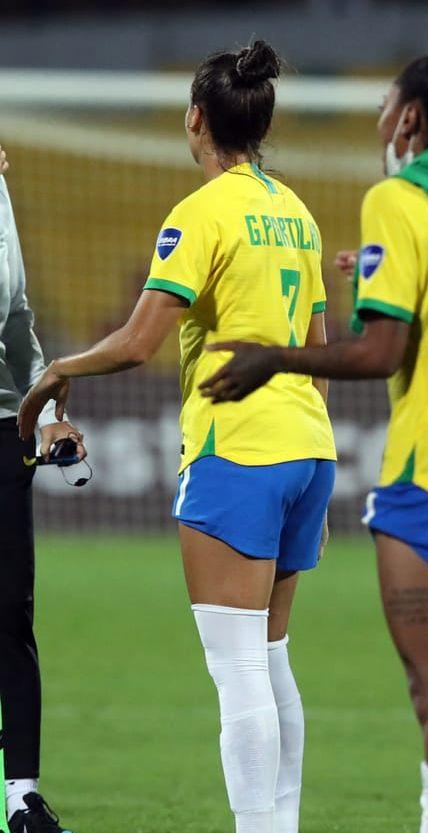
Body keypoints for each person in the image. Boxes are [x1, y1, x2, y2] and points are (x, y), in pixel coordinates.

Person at [198, 32, 428, 833]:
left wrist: (273, 358)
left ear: (413, 117)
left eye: (388, 103)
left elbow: (381, 350)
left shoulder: (400, 196)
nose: (380, 115)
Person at [18, 42, 333, 833]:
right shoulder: (294, 208)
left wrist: (59, 370)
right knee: (271, 659)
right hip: (309, 447)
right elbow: (320, 345)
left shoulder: (200, 214)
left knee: (237, 671)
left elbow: (136, 342)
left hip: (239, 450)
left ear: (197, 119)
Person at [0, 145, 84, 833]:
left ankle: (20, 796)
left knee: (9, 611)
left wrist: (48, 413)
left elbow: (18, 313)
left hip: (3, 426)